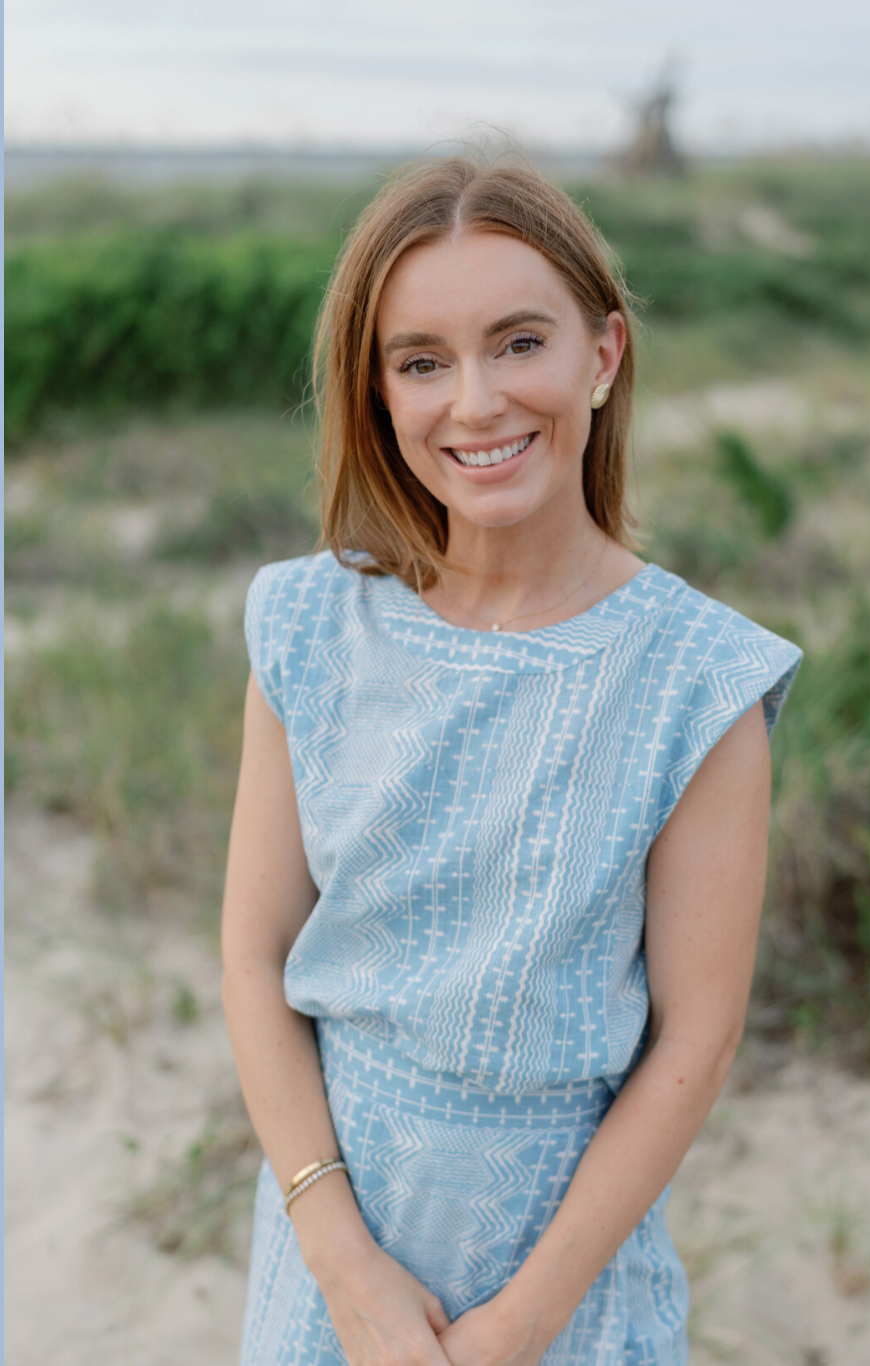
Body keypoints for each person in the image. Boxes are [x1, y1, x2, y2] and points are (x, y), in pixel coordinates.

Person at [222, 152, 802, 1366]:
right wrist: (341, 1261)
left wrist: (518, 1326)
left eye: (519, 342)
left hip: (560, 1284)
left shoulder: (699, 680)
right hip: (330, 1257)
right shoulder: (306, 628)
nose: (474, 402)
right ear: (378, 393)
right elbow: (256, 953)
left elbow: (694, 1043)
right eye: (421, 361)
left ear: (603, 353)